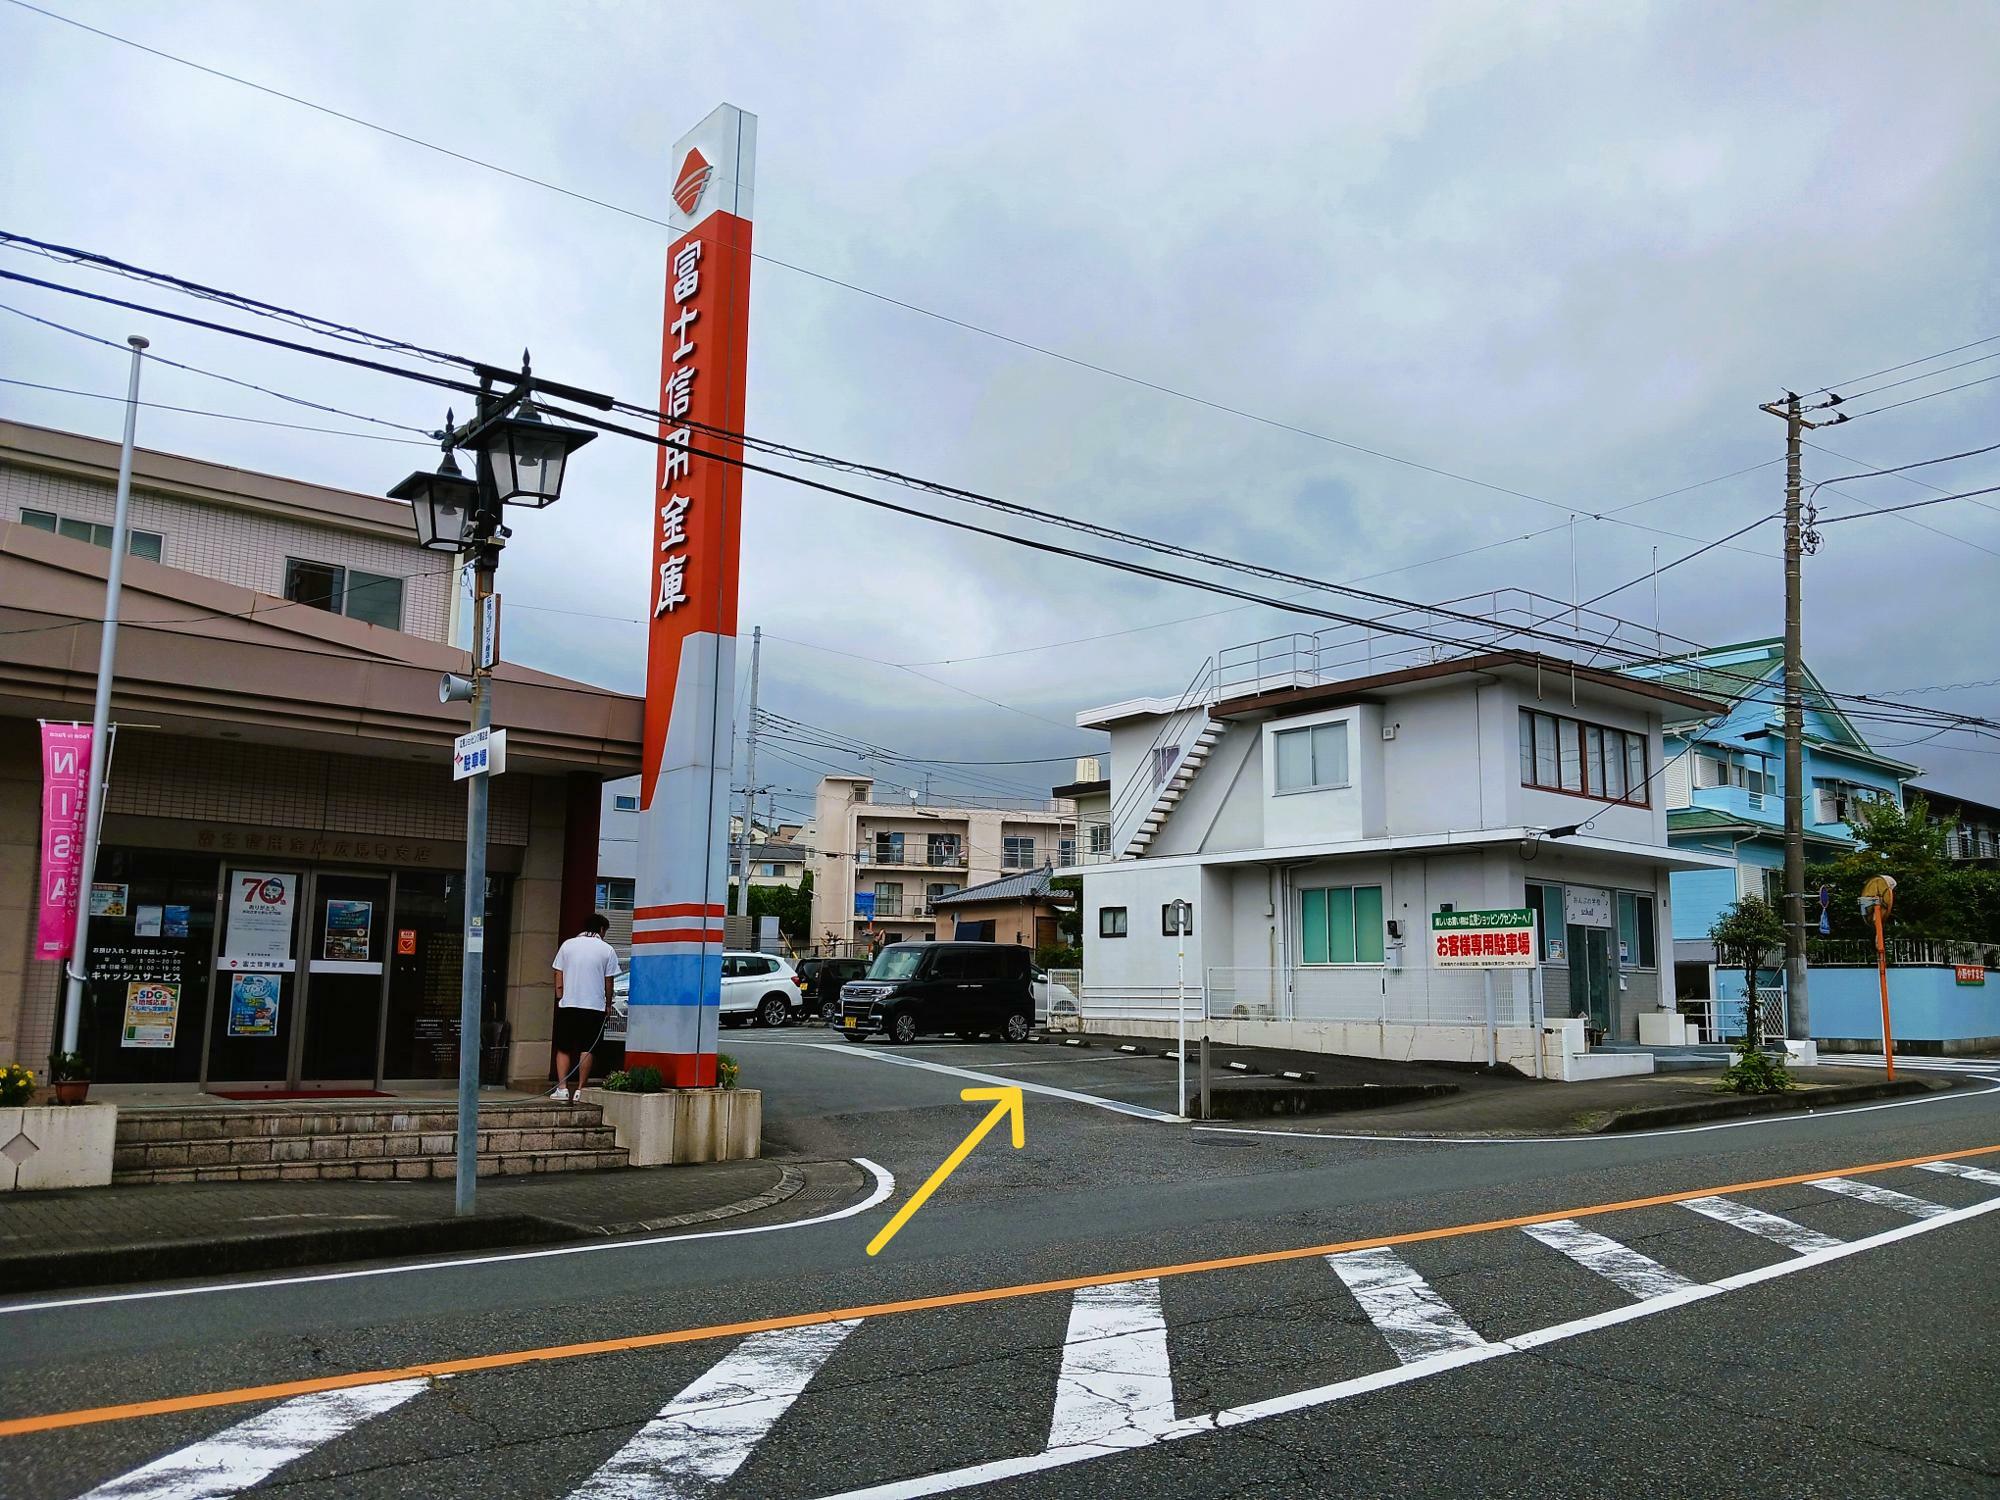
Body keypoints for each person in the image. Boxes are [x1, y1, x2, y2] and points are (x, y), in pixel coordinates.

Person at [550, 913, 619, 1102]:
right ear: (602, 930)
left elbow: (558, 973)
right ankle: (581, 1089)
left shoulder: (568, 945)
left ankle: (562, 1088)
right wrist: (607, 1004)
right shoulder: (607, 950)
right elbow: (609, 981)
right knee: (587, 1048)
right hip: (594, 1007)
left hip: (569, 1003)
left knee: (563, 1047)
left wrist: (560, 996)